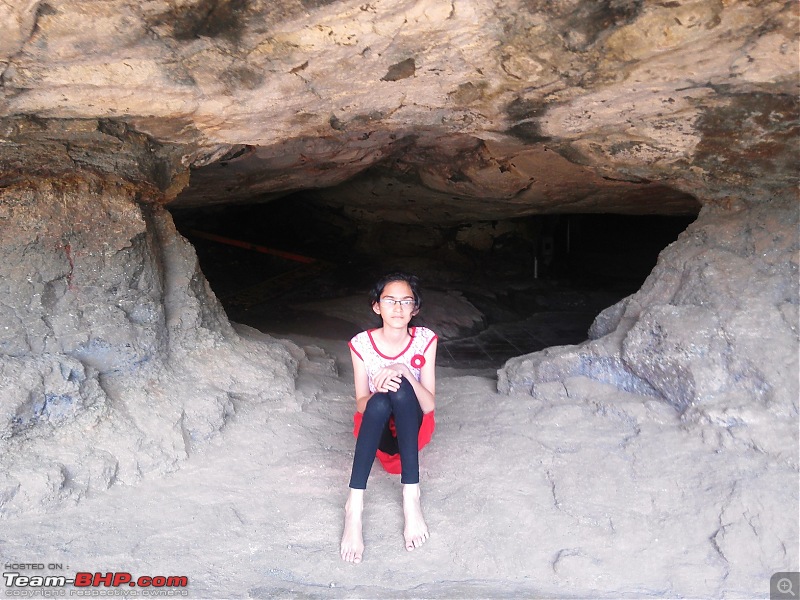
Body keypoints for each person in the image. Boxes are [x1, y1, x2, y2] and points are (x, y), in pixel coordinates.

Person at [340, 272, 438, 563]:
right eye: (390, 300)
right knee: (380, 399)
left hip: (413, 430)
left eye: (406, 301)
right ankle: (353, 507)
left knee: (400, 385)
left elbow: (430, 405)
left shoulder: (425, 340)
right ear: (376, 306)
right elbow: (361, 404)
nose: (398, 308)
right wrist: (377, 390)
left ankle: (411, 496)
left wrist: (405, 371)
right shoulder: (361, 344)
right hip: (376, 431)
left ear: (415, 309)